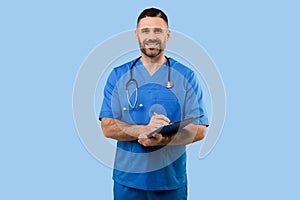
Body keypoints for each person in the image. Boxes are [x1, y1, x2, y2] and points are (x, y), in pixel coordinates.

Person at [99, 7, 209, 200]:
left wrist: (164, 139)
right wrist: (141, 130)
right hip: (128, 182)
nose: (151, 36)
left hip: (170, 182)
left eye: (158, 31)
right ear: (136, 35)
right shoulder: (118, 75)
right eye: (145, 31)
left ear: (168, 35)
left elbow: (199, 130)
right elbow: (107, 127)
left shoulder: (186, 76)